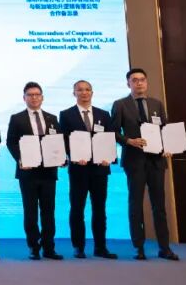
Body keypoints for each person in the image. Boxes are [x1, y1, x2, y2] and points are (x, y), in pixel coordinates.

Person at [111, 68, 179, 261]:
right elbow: (113, 131)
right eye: (134, 80)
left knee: (159, 206)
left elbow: (165, 129)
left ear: (146, 82)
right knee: (136, 204)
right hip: (134, 161)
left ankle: (164, 248)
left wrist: (169, 146)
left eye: (142, 79)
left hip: (156, 161)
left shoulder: (156, 103)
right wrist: (128, 141)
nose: (139, 83)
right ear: (128, 84)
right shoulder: (120, 104)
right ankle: (138, 247)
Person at [59, 80, 117, 260]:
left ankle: (100, 247)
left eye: (87, 90)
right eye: (80, 90)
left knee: (99, 209)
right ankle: (78, 246)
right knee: (77, 208)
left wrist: (109, 157)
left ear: (92, 93)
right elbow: (64, 140)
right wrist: (73, 156)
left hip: (100, 169)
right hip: (79, 169)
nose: (84, 93)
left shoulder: (103, 114)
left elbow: (110, 138)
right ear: (74, 93)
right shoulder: (66, 115)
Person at [6, 81, 63, 260]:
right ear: (24, 98)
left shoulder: (52, 118)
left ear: (42, 97)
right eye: (30, 95)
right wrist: (21, 159)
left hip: (48, 172)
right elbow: (11, 142)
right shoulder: (17, 118)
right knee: (30, 211)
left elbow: (58, 142)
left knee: (48, 211)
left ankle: (49, 247)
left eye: (37, 94)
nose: (34, 98)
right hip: (28, 172)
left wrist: (61, 158)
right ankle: (34, 247)